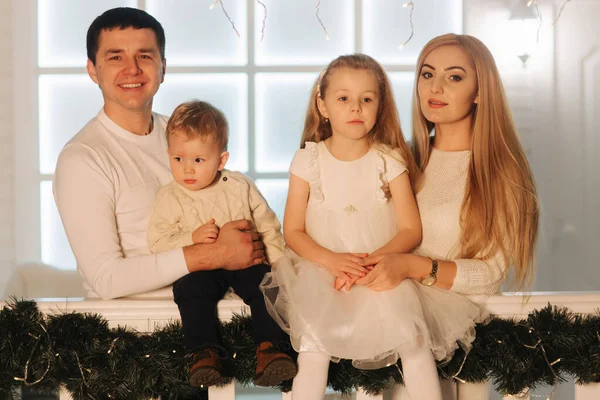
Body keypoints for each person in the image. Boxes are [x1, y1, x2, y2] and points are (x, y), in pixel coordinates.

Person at [260, 54, 484, 400]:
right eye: (343, 98)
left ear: (380, 106)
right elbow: (293, 231)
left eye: (367, 99)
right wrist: (334, 262)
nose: (356, 108)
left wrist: (370, 263)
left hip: (381, 271)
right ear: (323, 105)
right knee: (314, 347)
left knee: (414, 343)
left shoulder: (389, 159)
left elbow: (411, 230)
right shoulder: (308, 160)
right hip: (325, 273)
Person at [354, 34, 539, 400]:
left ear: (480, 91)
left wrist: (412, 266)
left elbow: (491, 272)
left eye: (454, 77)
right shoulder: (395, 161)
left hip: (455, 348)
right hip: (379, 332)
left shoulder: (500, 171)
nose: (435, 87)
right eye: (427, 74)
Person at [53, 8, 264, 300]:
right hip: (135, 330)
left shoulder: (182, 135)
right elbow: (106, 279)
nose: (132, 69)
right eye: (115, 57)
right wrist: (213, 254)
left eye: (145, 55)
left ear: (163, 67)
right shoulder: (83, 159)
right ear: (92, 70)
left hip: (220, 316)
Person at [146, 100, 297, 388]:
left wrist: (279, 262)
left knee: (266, 284)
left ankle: (271, 350)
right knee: (189, 290)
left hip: (246, 263)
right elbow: (157, 241)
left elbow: (266, 224)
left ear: (221, 160)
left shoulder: (239, 185)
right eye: (178, 159)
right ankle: (204, 354)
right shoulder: (169, 197)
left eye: (198, 160)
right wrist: (191, 238)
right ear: (168, 155)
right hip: (203, 267)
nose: (187, 169)